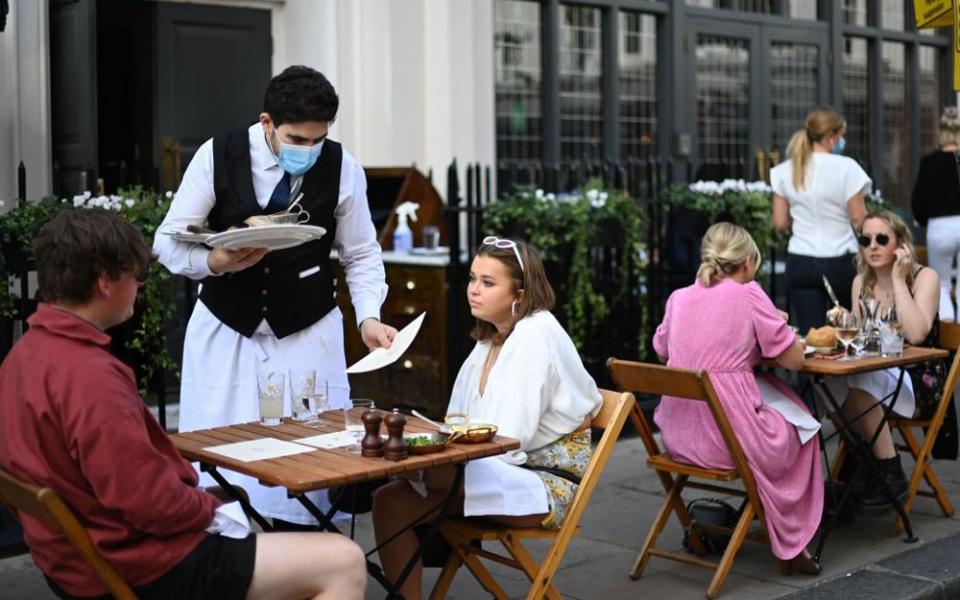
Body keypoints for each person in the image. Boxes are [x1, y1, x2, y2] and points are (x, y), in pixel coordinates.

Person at [0, 209, 366, 600]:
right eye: (137, 276)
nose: (140, 288)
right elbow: (146, 502)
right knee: (342, 559)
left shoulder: (23, 356)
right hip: (142, 562)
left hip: (77, 559)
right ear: (105, 282)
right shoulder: (90, 377)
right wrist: (206, 509)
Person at [154, 65, 397, 527]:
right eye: (296, 139)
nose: (309, 150)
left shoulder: (344, 167)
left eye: (317, 140)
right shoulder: (216, 155)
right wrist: (213, 263)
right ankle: (226, 559)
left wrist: (368, 317)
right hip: (227, 331)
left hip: (307, 330)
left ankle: (306, 559)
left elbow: (362, 253)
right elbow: (165, 242)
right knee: (221, 459)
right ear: (267, 123)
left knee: (310, 457)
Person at [371, 238, 602, 600]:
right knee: (389, 499)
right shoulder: (491, 338)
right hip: (496, 467)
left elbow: (511, 439)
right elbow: (458, 419)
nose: (473, 291)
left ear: (520, 293)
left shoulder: (536, 335)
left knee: (408, 462)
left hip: (543, 484)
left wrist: (432, 453)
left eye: (488, 283)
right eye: (472, 278)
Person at [653, 222, 823, 574]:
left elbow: (661, 351)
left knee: (782, 405)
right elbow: (794, 360)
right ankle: (792, 535)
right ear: (748, 262)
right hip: (727, 440)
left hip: (679, 437)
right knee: (804, 426)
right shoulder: (748, 294)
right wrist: (776, 326)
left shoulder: (679, 297)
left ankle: (776, 521)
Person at [821, 210, 944, 507]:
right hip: (878, 374)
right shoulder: (861, 281)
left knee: (860, 381)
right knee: (824, 382)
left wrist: (900, 281)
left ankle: (890, 471)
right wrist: (846, 324)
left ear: (900, 243)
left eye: (881, 238)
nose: (872, 245)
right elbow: (862, 344)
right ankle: (865, 460)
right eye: (866, 239)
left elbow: (915, 334)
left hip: (919, 382)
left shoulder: (925, 277)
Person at [771, 106, 871, 332]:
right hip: (840, 258)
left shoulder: (786, 170)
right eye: (841, 135)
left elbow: (779, 222)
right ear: (830, 137)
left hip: (800, 259)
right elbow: (858, 218)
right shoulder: (847, 168)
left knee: (811, 336)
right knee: (850, 331)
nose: (842, 140)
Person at [911, 105, 960, 322]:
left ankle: (950, 339)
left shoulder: (929, 162)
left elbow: (918, 202)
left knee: (941, 283)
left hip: (939, 227)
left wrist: (923, 220)